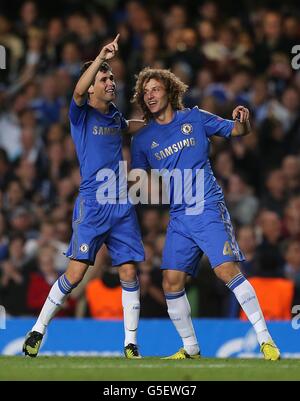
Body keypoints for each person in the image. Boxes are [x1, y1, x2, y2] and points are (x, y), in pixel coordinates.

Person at [130, 67, 280, 360]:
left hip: (207, 207)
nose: (150, 95)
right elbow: (139, 181)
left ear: (170, 92)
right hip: (178, 216)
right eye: (145, 92)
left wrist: (244, 122)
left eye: (155, 89)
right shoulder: (143, 140)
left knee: (225, 270)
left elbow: (237, 131)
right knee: (171, 282)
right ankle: (191, 348)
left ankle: (266, 340)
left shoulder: (195, 118)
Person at [23, 35, 145, 359]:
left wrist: (152, 124)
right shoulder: (81, 114)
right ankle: (37, 330)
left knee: (129, 271)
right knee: (75, 273)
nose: (110, 82)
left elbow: (125, 126)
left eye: (111, 77)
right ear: (91, 86)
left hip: (121, 204)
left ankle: (130, 343)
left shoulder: (113, 115)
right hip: (93, 205)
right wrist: (100, 56)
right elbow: (77, 91)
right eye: (104, 78)